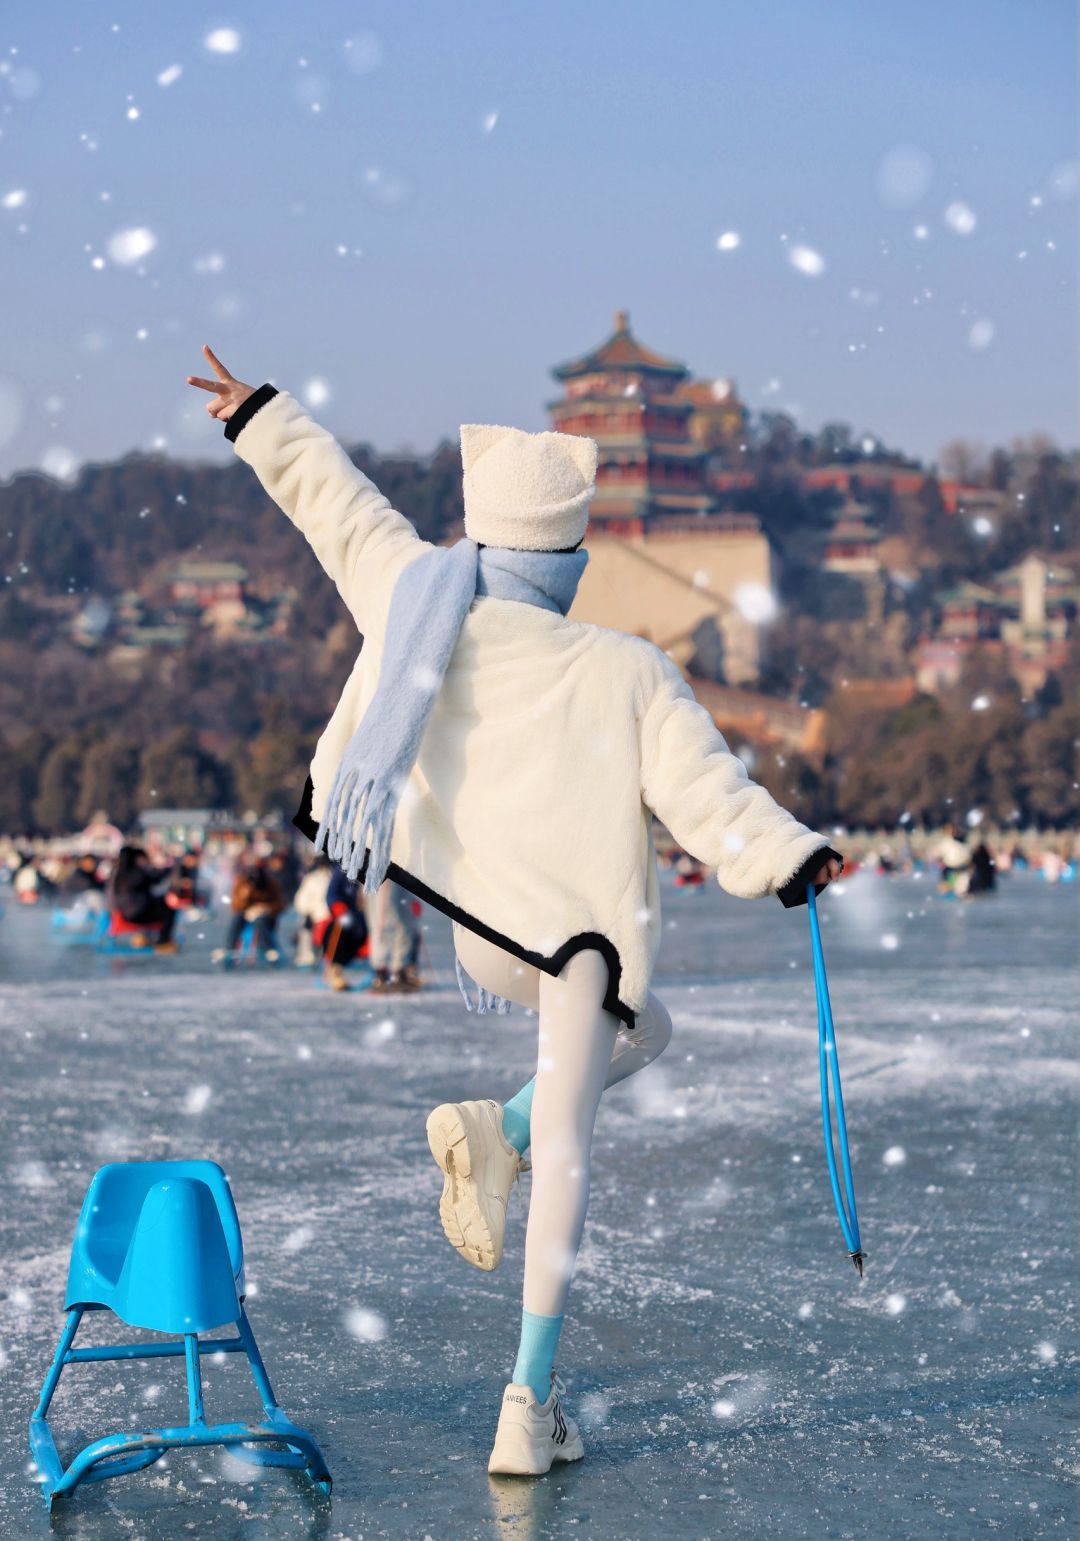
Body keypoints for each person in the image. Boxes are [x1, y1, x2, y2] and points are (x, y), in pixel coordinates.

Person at [188, 346, 842, 1478]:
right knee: (577, 1151)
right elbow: (710, 800)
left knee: (655, 1030)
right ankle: (525, 1404)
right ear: (577, 554)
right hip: (574, 943)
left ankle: (502, 1130)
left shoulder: (418, 597)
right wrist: (792, 856)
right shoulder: (628, 666)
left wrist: (261, 418)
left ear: (481, 537)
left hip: (481, 937)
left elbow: (338, 506)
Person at [108, 845, 178, 950]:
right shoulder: (135, 872)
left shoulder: (117, 872)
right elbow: (156, 878)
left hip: (120, 912)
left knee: (160, 904)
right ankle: (163, 941)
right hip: (134, 914)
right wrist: (170, 867)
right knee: (168, 910)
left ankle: (146, 937)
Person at [367, 878, 424, 993]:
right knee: (386, 922)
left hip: (397, 873)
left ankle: (396, 971)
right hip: (384, 872)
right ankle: (384, 972)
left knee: (401, 923)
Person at [318, 862, 369, 990]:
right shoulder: (343, 870)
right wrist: (339, 909)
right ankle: (335, 971)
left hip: (369, 920)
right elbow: (332, 895)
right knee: (338, 932)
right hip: (348, 918)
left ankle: (393, 971)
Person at [223, 859, 286, 962]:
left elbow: (281, 904)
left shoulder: (271, 884)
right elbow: (235, 905)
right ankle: (229, 948)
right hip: (245, 913)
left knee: (261, 921)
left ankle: (267, 949)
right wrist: (244, 896)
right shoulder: (242, 883)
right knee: (236, 919)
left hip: (266, 915)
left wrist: (266, 908)